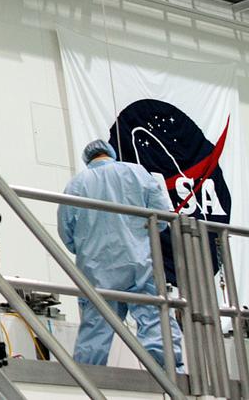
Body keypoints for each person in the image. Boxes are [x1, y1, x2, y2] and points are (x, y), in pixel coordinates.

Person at [57, 139, 184, 368]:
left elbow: (66, 233)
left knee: (96, 326)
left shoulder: (76, 184)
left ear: (88, 159)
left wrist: (88, 248)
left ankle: (88, 375)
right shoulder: (137, 173)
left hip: (97, 269)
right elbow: (161, 218)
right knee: (154, 316)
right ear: (110, 153)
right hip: (138, 262)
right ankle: (167, 371)